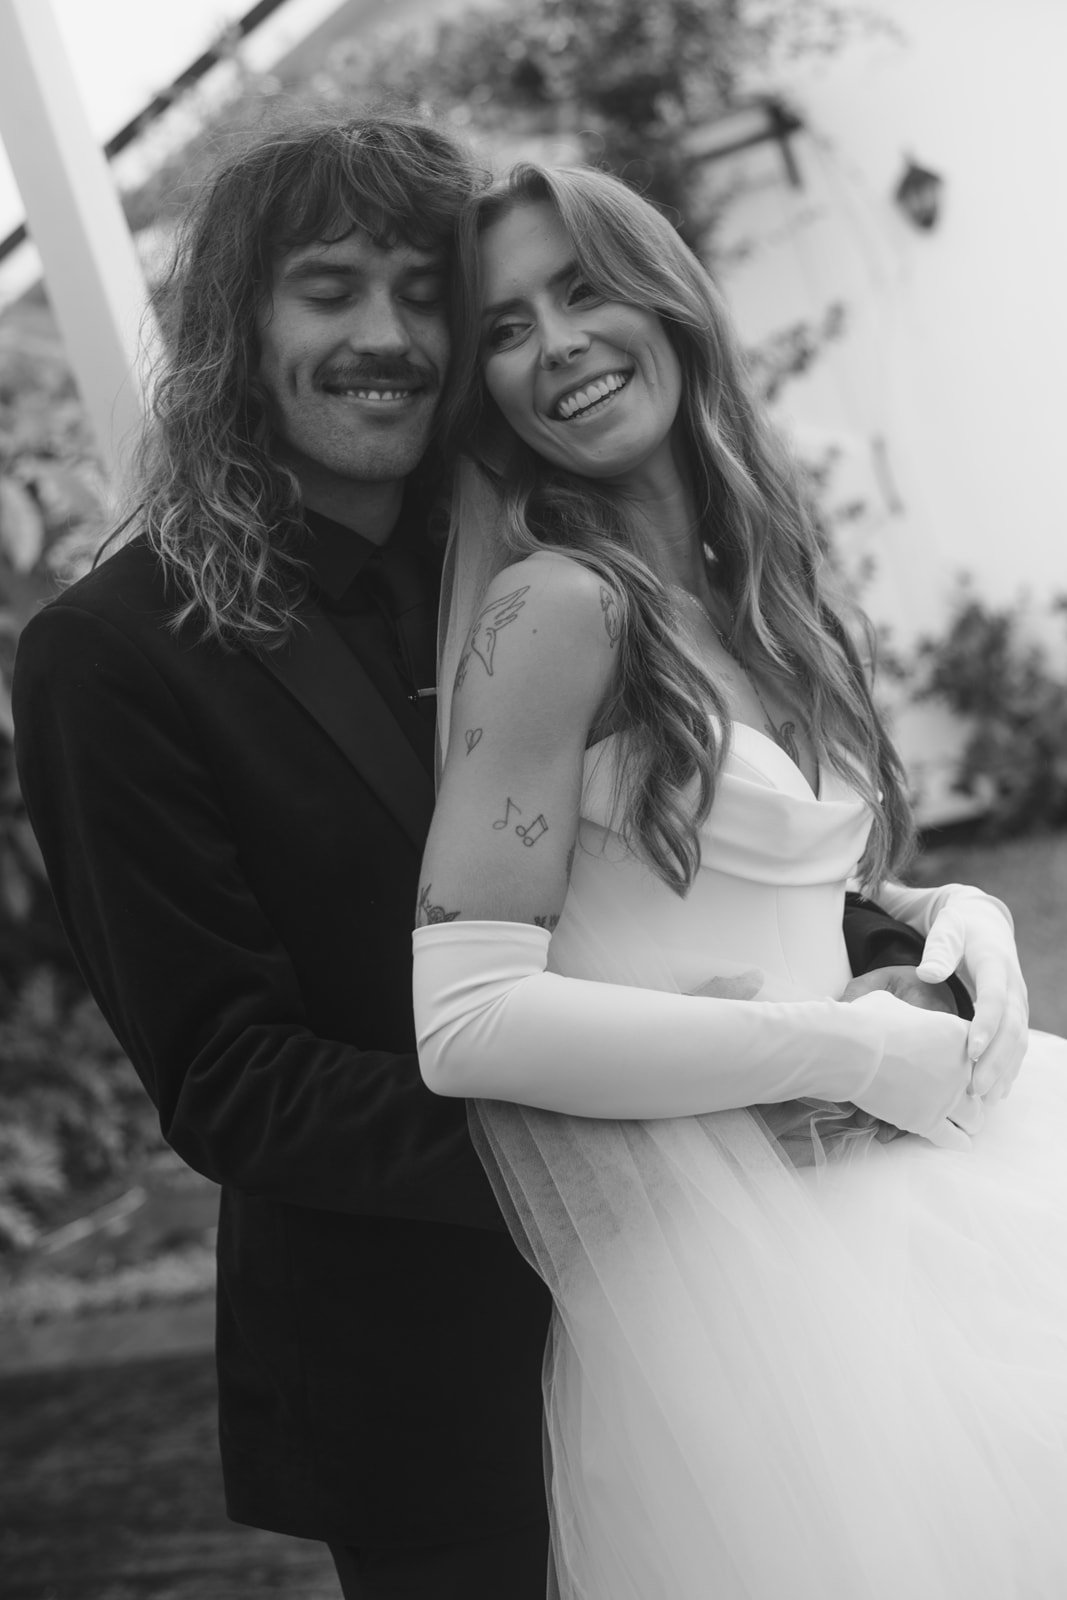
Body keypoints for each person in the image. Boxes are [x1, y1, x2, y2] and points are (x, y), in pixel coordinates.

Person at [10, 114, 1020, 1598]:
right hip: (433, 1376)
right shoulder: (113, 653)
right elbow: (234, 1077)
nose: (387, 337)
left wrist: (898, 956)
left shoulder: (539, 542)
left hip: (767, 1303)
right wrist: (680, 1151)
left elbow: (681, 848)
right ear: (237, 329)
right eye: (330, 290)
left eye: (427, 296)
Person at [411, 162, 1067, 1598]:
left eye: (584, 288)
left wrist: (949, 915)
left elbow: (793, 878)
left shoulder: (760, 589)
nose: (557, 343)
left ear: (669, 301)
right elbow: (463, 1022)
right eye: (506, 327)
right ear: (485, 391)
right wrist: (840, 1048)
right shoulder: (554, 609)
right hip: (752, 1298)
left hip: (922, 1197)